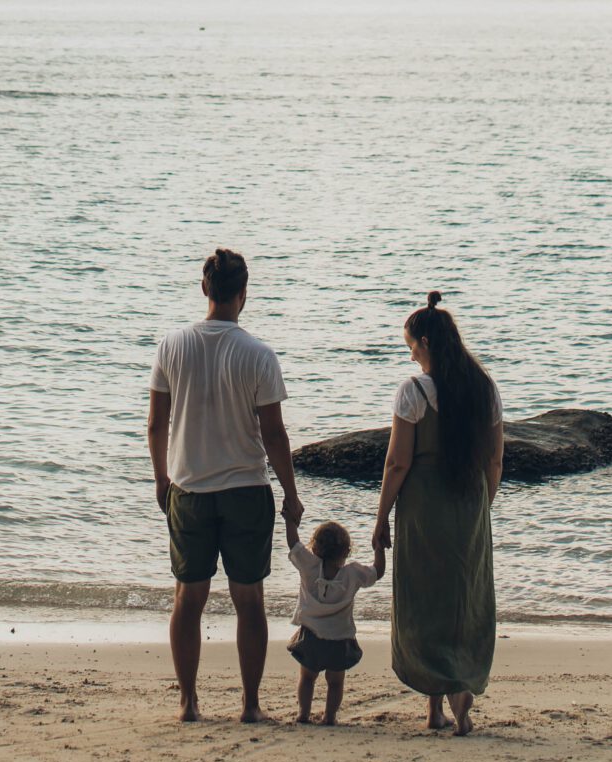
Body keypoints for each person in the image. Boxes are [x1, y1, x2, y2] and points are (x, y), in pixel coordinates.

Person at [147, 248, 303, 723]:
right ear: (243, 294)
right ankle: (250, 704)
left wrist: (161, 477)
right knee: (249, 599)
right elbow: (274, 434)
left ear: (204, 290)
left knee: (187, 598)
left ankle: (188, 701)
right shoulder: (257, 353)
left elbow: (157, 423)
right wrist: (292, 494)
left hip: (189, 488)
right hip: (245, 490)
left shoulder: (172, 345)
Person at [372, 291, 503, 735]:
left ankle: (434, 709)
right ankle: (460, 700)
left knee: (426, 600)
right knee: (465, 598)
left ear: (425, 341)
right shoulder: (484, 388)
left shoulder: (413, 393)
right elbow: (495, 462)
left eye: (411, 345)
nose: (410, 355)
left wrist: (380, 517)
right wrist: (484, 504)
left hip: (423, 506)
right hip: (469, 501)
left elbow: (397, 462)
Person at [284, 519, 383, 725]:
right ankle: (329, 716)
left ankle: (303, 713)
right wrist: (378, 546)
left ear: (314, 547)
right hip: (340, 639)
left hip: (311, 636)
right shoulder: (353, 573)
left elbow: (293, 544)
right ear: (347, 551)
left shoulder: (309, 567)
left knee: (307, 677)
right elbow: (377, 572)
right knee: (336, 682)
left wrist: (290, 520)